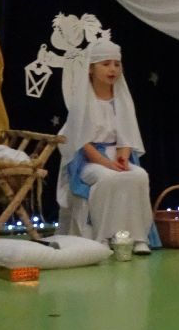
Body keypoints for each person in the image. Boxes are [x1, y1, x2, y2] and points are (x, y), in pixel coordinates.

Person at [57, 37, 155, 253]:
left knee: (140, 176)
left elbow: (127, 134)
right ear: (91, 69)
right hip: (90, 160)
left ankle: (137, 237)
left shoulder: (122, 100)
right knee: (107, 178)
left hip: (116, 156)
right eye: (106, 64)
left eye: (117, 64)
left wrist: (122, 157)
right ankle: (101, 236)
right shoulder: (83, 101)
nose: (113, 69)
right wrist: (105, 163)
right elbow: (80, 141)